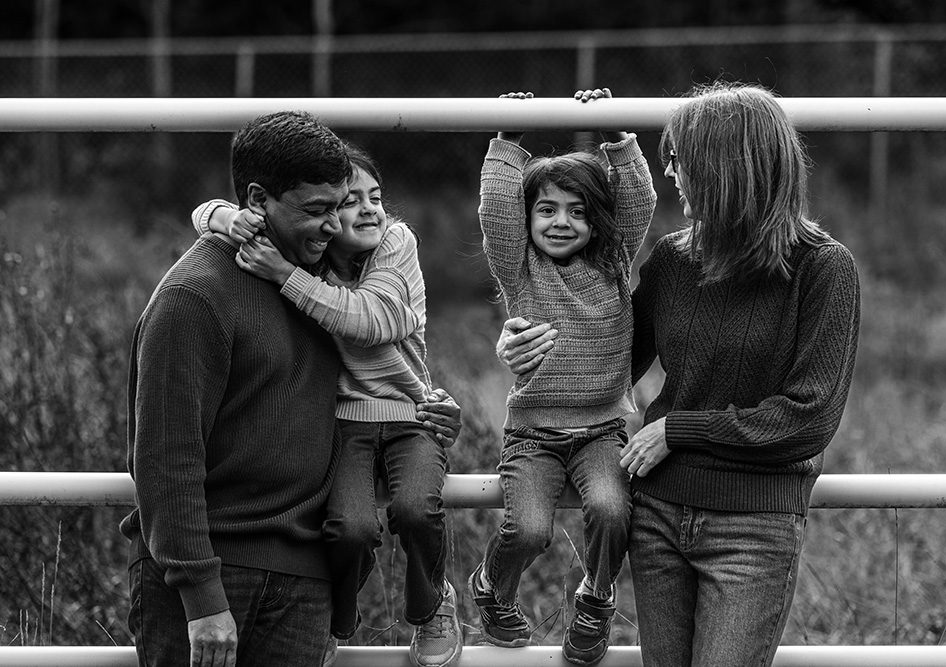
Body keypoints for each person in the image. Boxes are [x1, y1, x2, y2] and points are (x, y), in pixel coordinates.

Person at [497, 82, 862, 667]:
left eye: (680, 161)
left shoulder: (822, 269)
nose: (671, 175)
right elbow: (612, 353)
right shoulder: (672, 258)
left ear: (726, 171)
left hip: (753, 529)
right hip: (658, 517)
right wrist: (523, 343)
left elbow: (809, 418)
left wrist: (677, 430)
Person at [190, 142, 462, 667]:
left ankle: (433, 609)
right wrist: (230, 218)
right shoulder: (309, 261)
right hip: (344, 424)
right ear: (325, 216)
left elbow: (372, 321)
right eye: (350, 201)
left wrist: (283, 276)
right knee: (349, 528)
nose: (370, 209)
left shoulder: (394, 245)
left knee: (415, 509)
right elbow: (202, 213)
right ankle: (335, 622)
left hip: (413, 415)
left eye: (376, 196)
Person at [120, 110, 353, 667]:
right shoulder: (195, 297)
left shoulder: (326, 284)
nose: (334, 227)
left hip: (304, 579)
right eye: (316, 211)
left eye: (339, 207)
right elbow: (165, 458)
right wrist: (202, 599)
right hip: (210, 579)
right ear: (256, 201)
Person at [468, 87, 656, 666]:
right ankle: (490, 589)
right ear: (527, 220)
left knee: (611, 509)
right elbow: (494, 210)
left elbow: (640, 201)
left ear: (599, 224)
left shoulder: (614, 264)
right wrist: (508, 136)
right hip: (534, 435)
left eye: (577, 212)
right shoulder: (520, 270)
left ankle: (595, 599)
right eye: (546, 209)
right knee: (527, 530)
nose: (560, 221)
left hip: (602, 431)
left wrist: (617, 133)